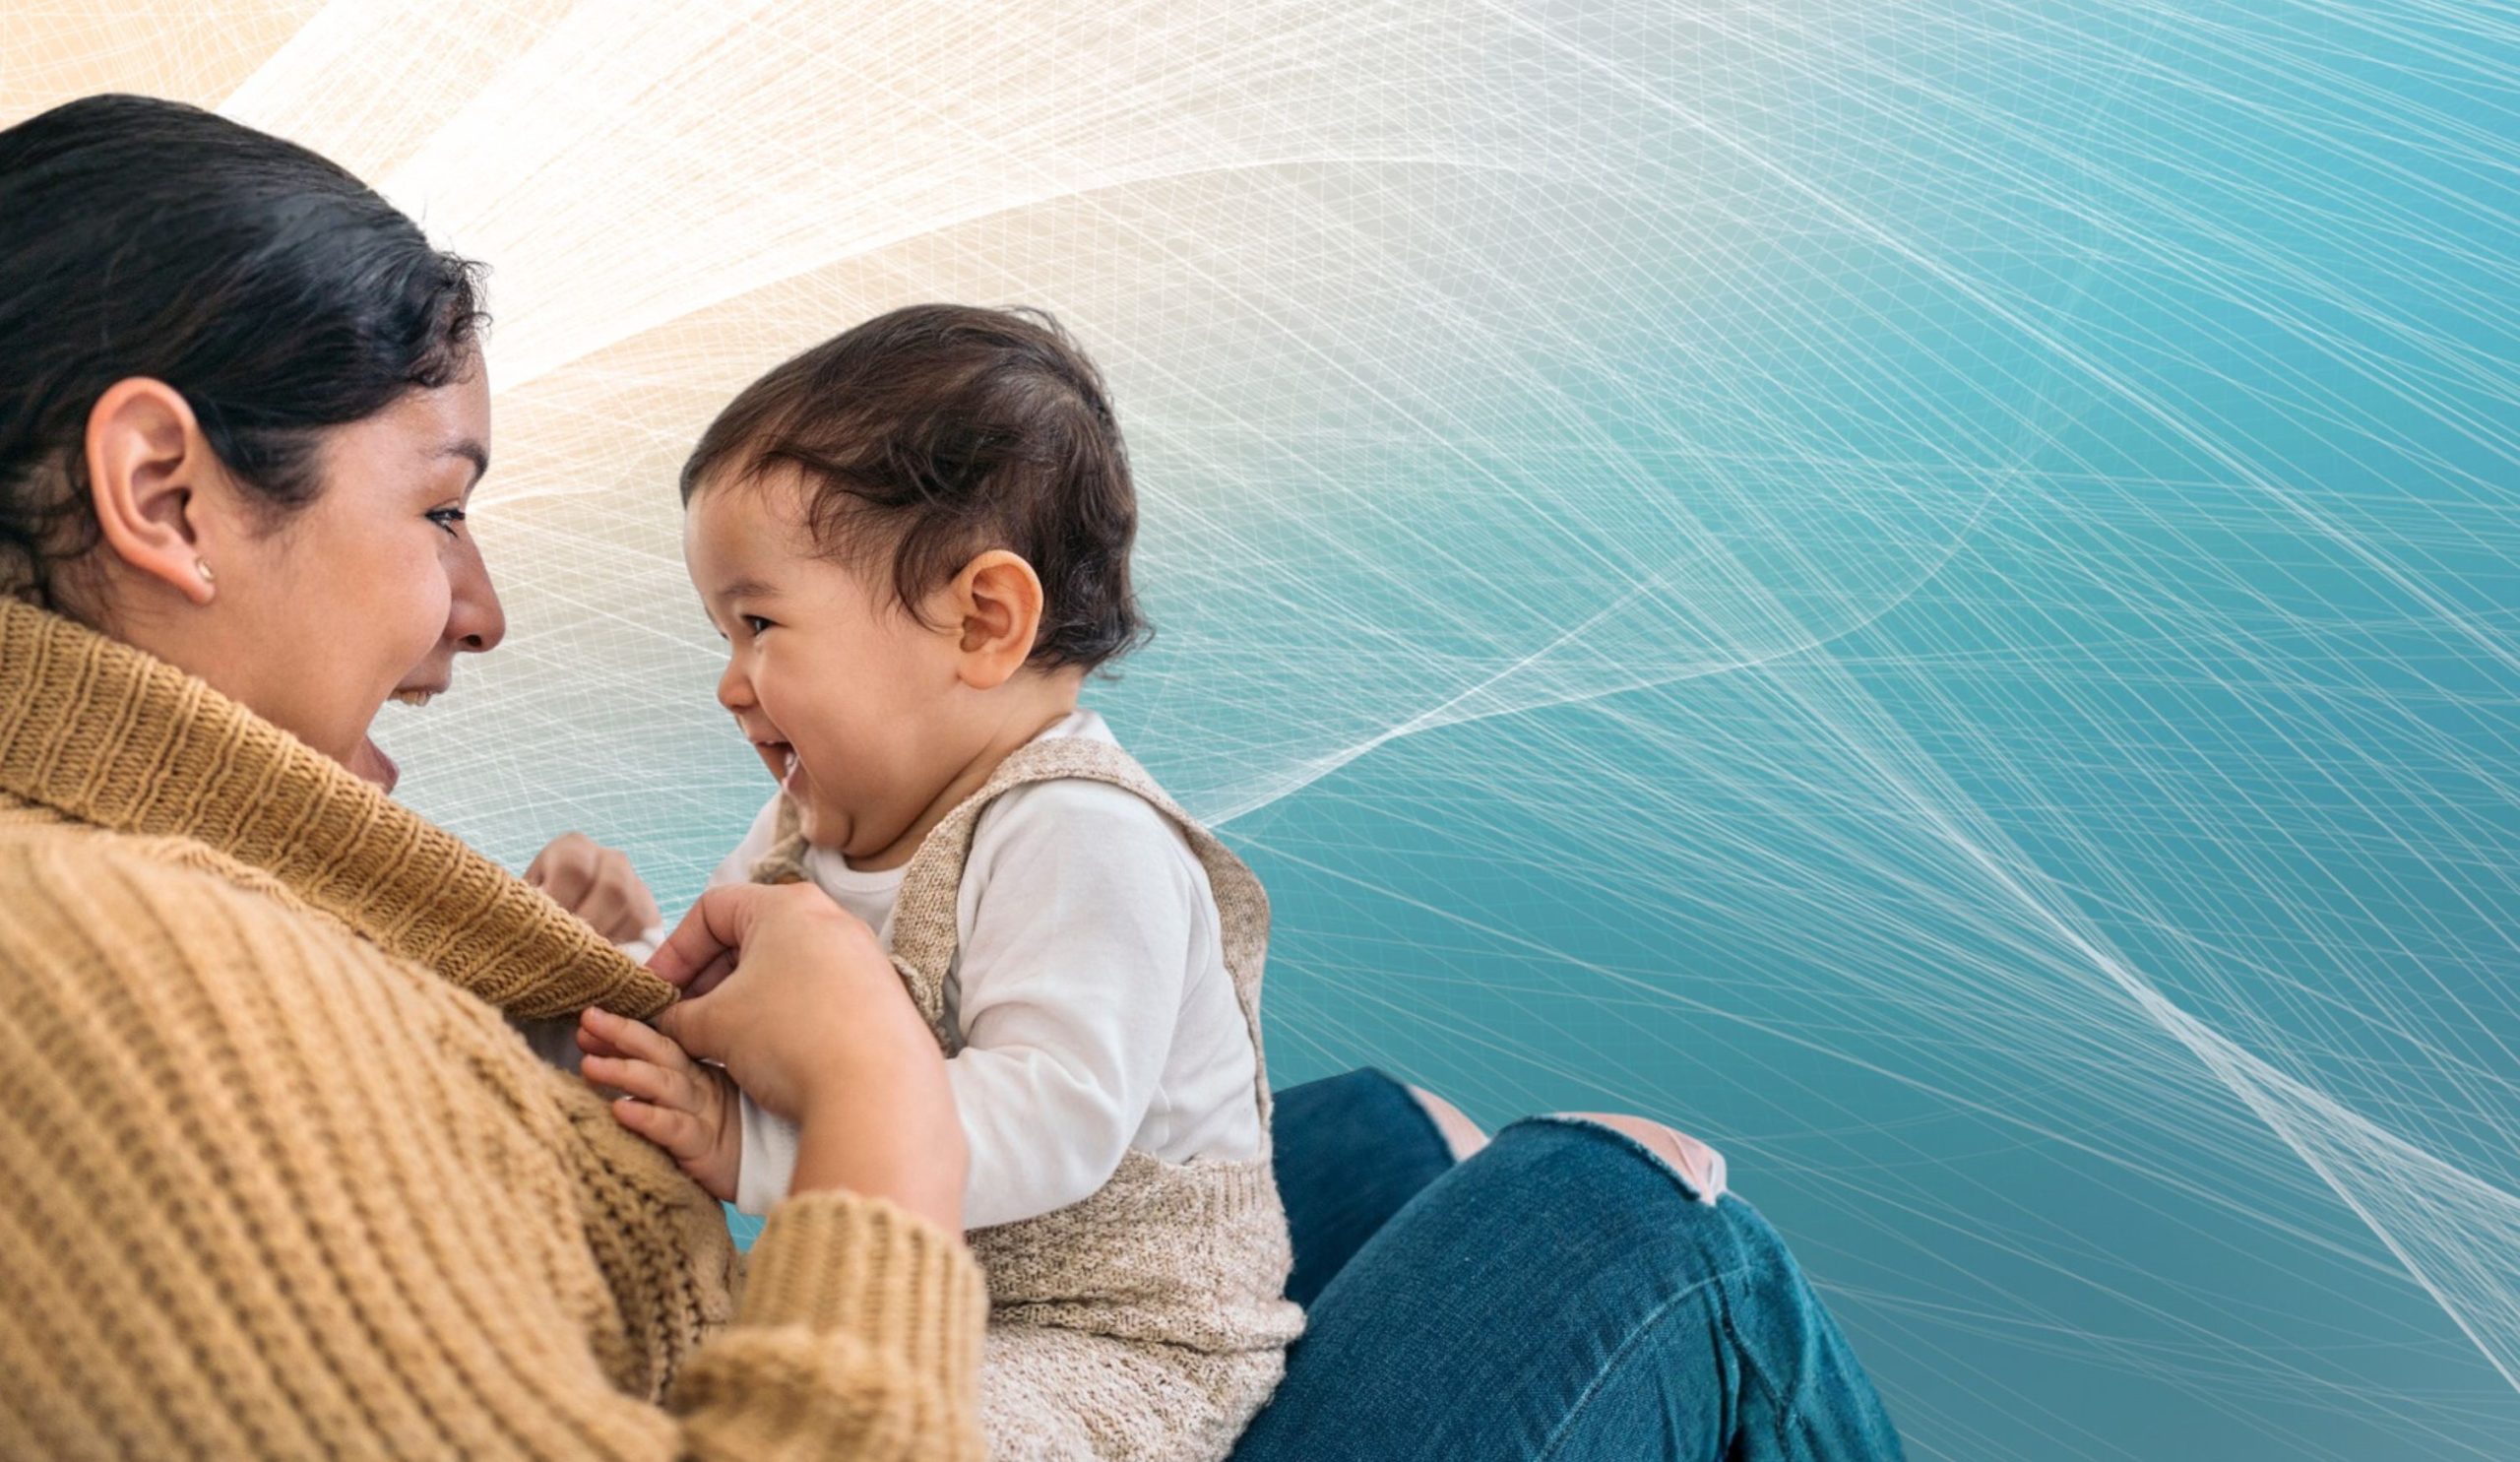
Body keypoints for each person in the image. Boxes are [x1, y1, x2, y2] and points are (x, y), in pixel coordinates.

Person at [0, 92, 1908, 1461]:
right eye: (438, 508)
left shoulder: (152, 885)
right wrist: (868, 1122)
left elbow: (395, 1255)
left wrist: (532, 1025)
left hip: (1004, 1307)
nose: (480, 610)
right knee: (1637, 1236)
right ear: (164, 491)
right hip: (944, 1375)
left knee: (1372, 1147)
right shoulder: (92, 979)